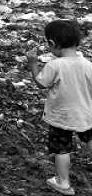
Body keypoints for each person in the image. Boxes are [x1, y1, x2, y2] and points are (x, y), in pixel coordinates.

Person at [26, 20, 92, 195]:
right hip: (86, 114)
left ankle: (63, 183)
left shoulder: (55, 65)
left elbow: (41, 83)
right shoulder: (88, 64)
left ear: (52, 44)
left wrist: (33, 64)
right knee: (90, 139)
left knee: (62, 149)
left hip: (60, 117)